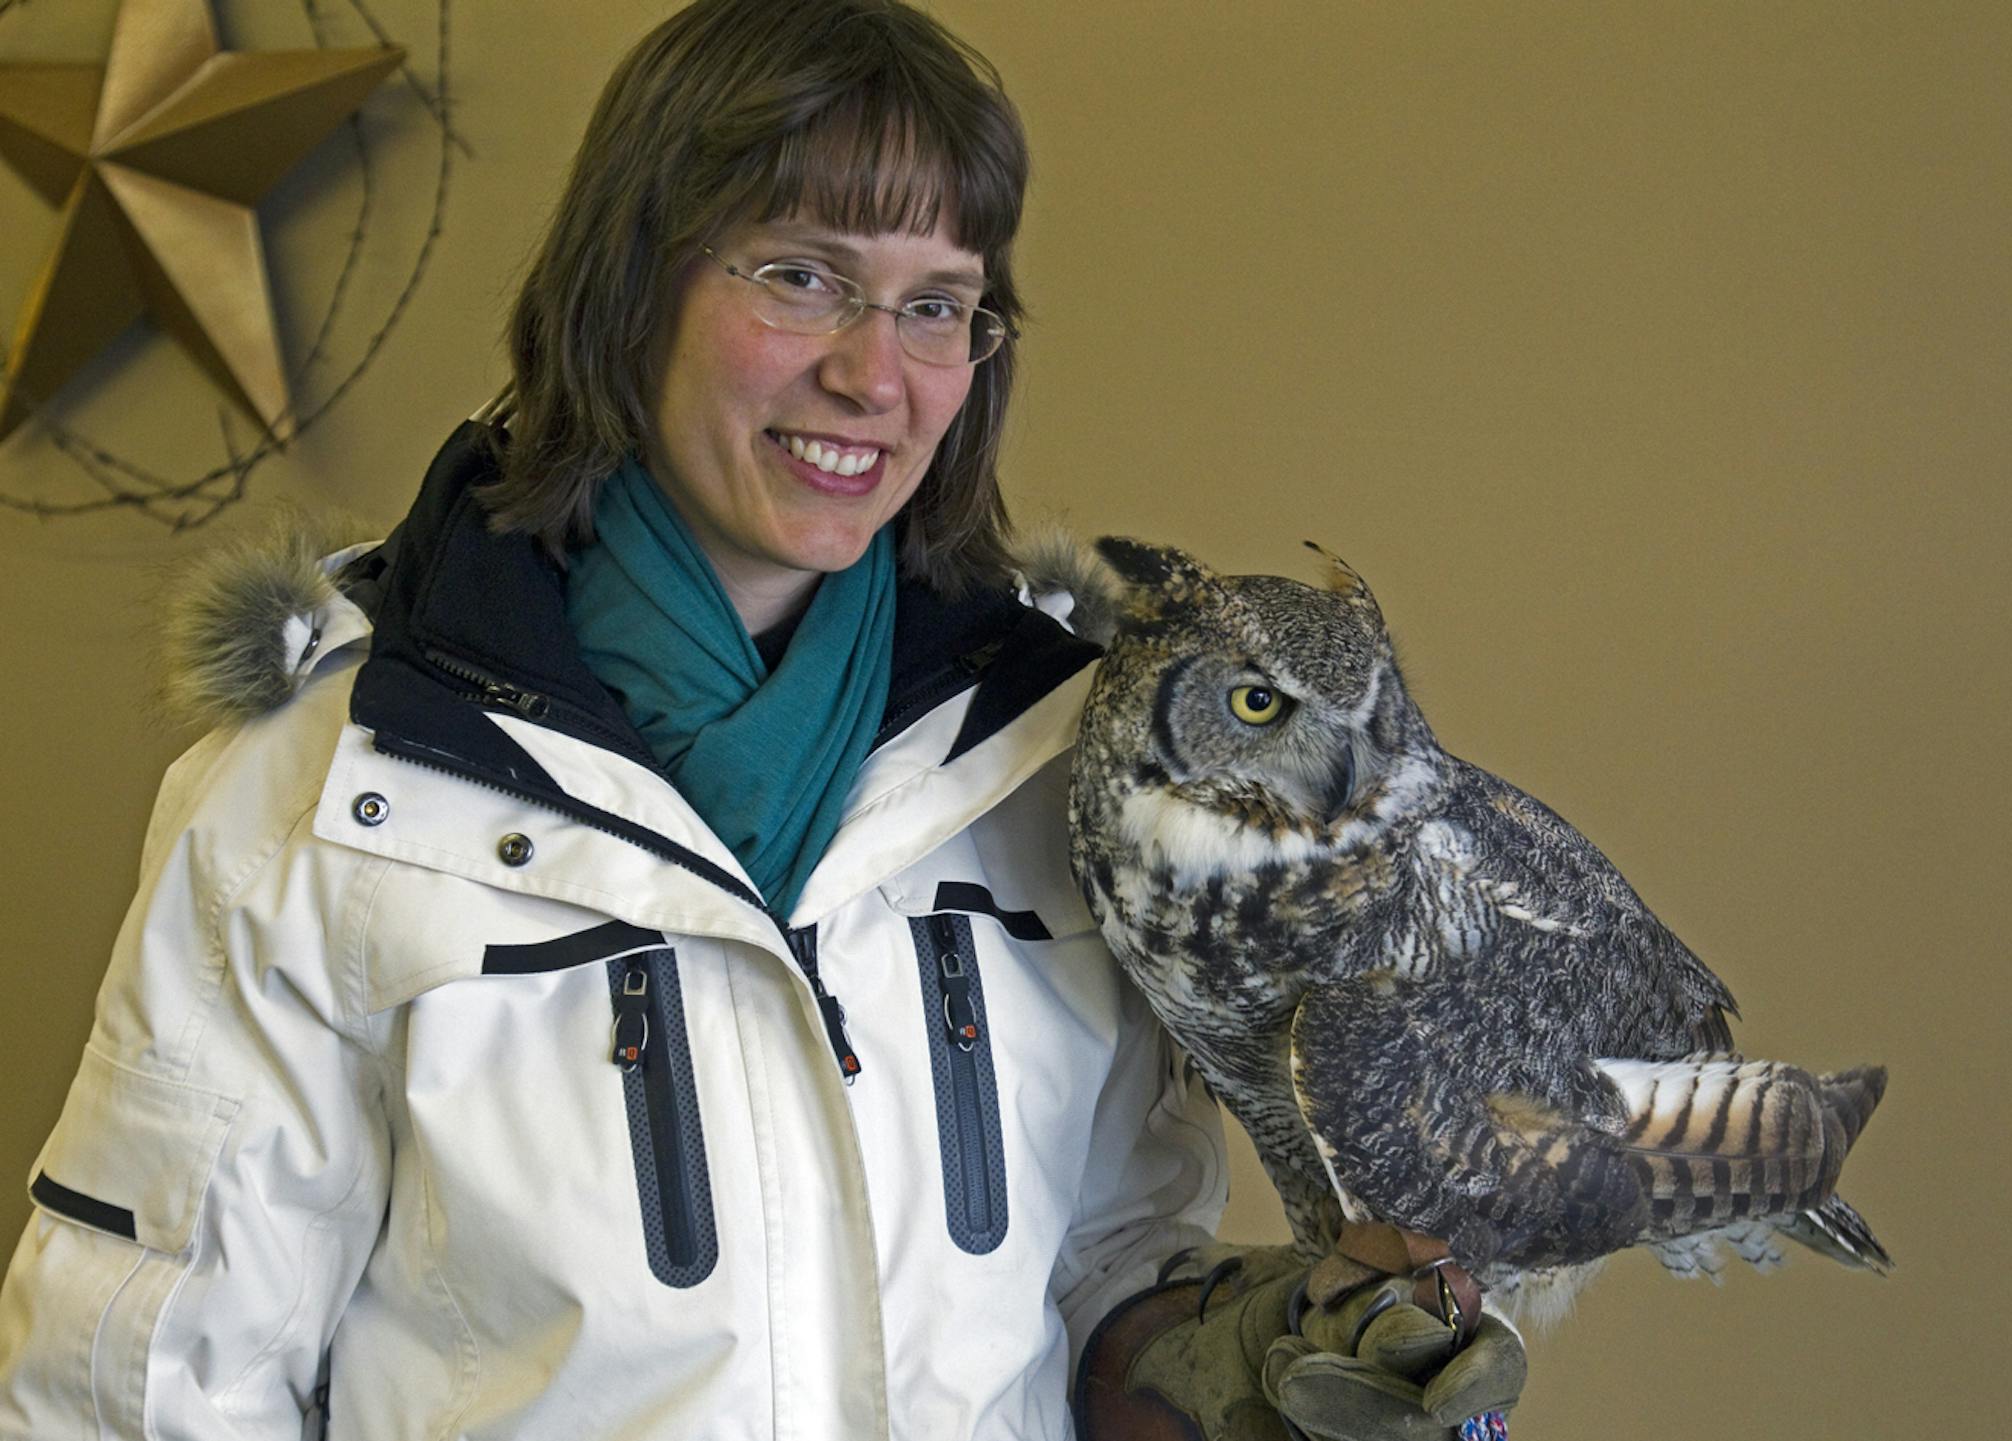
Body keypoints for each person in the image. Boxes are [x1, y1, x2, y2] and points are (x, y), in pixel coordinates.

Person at [0, 2, 1522, 1437]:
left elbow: (1096, 1275)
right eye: (803, 276)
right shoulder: (323, 797)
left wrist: (1265, 1364)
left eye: (940, 305)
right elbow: (146, 1391)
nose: (875, 375)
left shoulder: (1061, 769)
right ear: (633, 284)